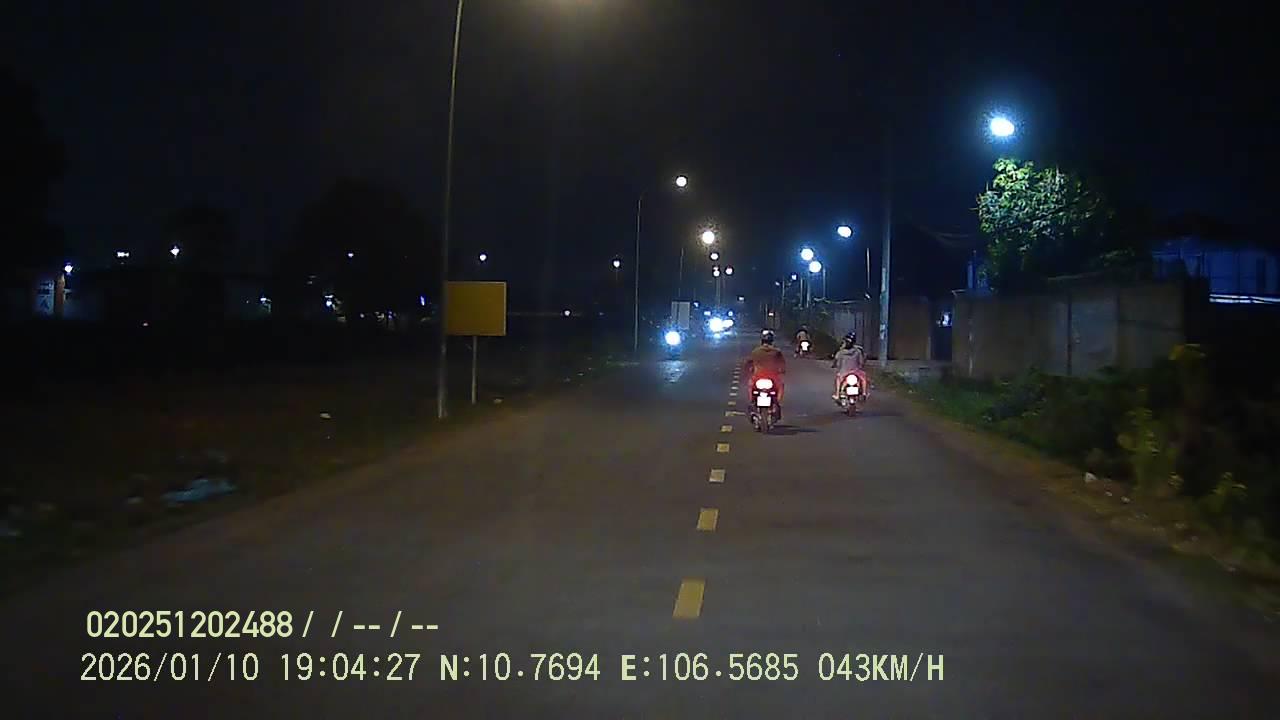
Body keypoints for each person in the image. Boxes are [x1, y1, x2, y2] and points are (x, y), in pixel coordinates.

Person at [745, 329, 787, 405]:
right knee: (780, 386)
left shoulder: (755, 351)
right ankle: (776, 403)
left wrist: (749, 369)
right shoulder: (777, 351)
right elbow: (782, 363)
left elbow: (749, 362)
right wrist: (782, 370)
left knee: (750, 386)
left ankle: (752, 401)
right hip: (773, 377)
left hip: (757, 376)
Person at [831, 331, 868, 399]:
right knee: (863, 378)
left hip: (844, 372)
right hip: (856, 372)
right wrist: (860, 366)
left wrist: (835, 365)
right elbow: (861, 362)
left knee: (838, 379)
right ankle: (864, 393)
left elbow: (837, 362)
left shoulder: (841, 352)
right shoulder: (858, 351)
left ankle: (837, 394)